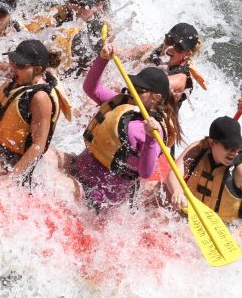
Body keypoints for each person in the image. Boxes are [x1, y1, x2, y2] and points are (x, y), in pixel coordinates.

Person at [53, 42, 181, 212]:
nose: (133, 89)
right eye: (134, 84)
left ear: (156, 97)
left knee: (52, 181)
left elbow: (145, 172)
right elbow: (91, 88)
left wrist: (151, 138)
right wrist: (102, 59)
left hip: (99, 193)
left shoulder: (154, 132)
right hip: (80, 166)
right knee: (47, 156)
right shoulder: (125, 102)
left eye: (139, 88)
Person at [0, 39, 71, 183]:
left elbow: (38, 146)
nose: (13, 68)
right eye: (12, 61)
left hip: (13, 159)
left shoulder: (40, 98)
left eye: (19, 64)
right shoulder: (23, 75)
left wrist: (10, 179)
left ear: (37, 69)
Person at [166, 116, 242, 237]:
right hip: (191, 216)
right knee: (153, 189)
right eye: (228, 146)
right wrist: (177, 191)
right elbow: (173, 174)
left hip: (225, 228)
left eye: (237, 146)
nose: (234, 152)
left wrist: (239, 232)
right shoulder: (197, 150)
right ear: (212, 143)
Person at [25, 0, 110, 76]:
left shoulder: (100, 28)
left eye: (83, 5)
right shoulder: (54, 10)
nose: (76, 7)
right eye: (73, 1)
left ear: (98, 5)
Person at [126, 22, 207, 108]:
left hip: (151, 113)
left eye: (179, 47)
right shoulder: (150, 50)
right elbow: (124, 55)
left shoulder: (180, 79)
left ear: (187, 54)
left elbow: (148, 86)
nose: (170, 48)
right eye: (169, 40)